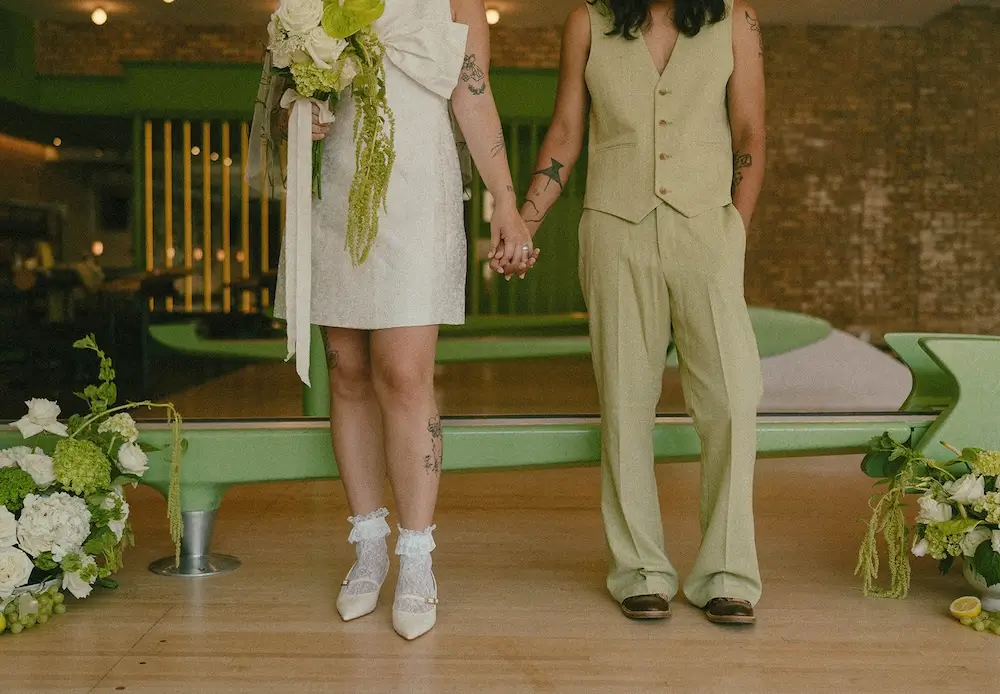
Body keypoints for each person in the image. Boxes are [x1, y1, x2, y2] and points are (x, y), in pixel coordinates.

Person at [258, 0, 537, 640]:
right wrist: (298, 112)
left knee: (404, 375)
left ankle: (416, 558)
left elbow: (473, 93)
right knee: (347, 370)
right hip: (337, 184)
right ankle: (368, 546)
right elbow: (279, 92)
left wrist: (506, 203)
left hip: (417, 189)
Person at [512, 0, 767, 624]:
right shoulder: (587, 22)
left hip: (708, 230)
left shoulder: (736, 20)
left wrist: (735, 229)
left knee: (733, 398)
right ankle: (641, 570)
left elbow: (750, 131)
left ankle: (727, 573)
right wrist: (524, 221)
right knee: (626, 404)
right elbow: (566, 132)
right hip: (616, 232)